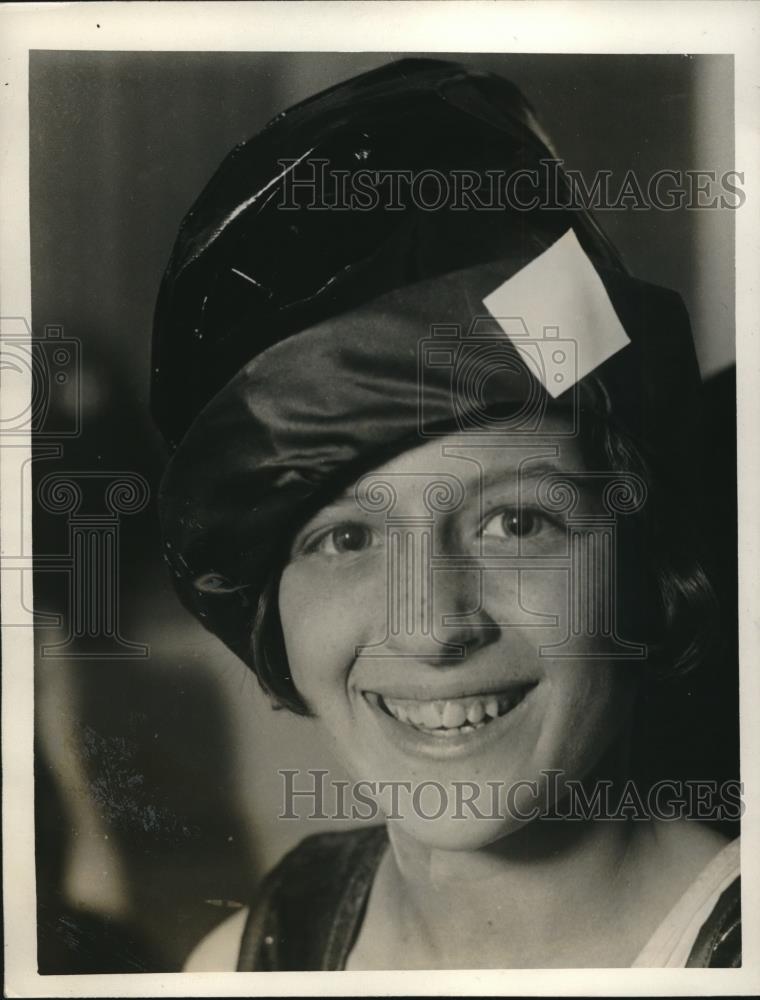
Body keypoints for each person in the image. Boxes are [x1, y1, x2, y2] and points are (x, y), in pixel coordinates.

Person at [151, 59, 740, 969]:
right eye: (346, 537)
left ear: (641, 558)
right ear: (273, 614)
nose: (434, 625)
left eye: (515, 523)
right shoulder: (243, 963)